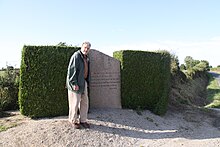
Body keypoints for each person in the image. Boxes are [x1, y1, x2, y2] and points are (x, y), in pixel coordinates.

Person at [66, 41, 91, 129]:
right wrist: (74, 83)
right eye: (85, 47)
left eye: (88, 48)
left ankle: (83, 120)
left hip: (83, 82)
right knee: (74, 103)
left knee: (84, 102)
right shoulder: (76, 56)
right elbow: (71, 71)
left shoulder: (86, 58)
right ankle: (73, 120)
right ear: (81, 47)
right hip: (76, 83)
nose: (86, 49)